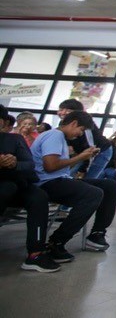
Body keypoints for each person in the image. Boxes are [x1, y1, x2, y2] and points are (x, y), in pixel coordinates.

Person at [31, 111, 116, 260]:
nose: (80, 134)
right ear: (74, 124)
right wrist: (80, 157)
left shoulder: (59, 138)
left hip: (60, 179)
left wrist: (81, 156)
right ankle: (57, 241)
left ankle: (97, 233)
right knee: (93, 194)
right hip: (47, 183)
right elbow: (50, 166)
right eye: (81, 130)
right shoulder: (54, 136)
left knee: (111, 186)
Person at [0, 105, 59, 272]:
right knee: (6, 188)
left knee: (38, 196)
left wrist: (14, 163)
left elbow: (29, 165)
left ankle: (36, 253)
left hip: (17, 184)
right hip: (5, 187)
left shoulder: (13, 140)